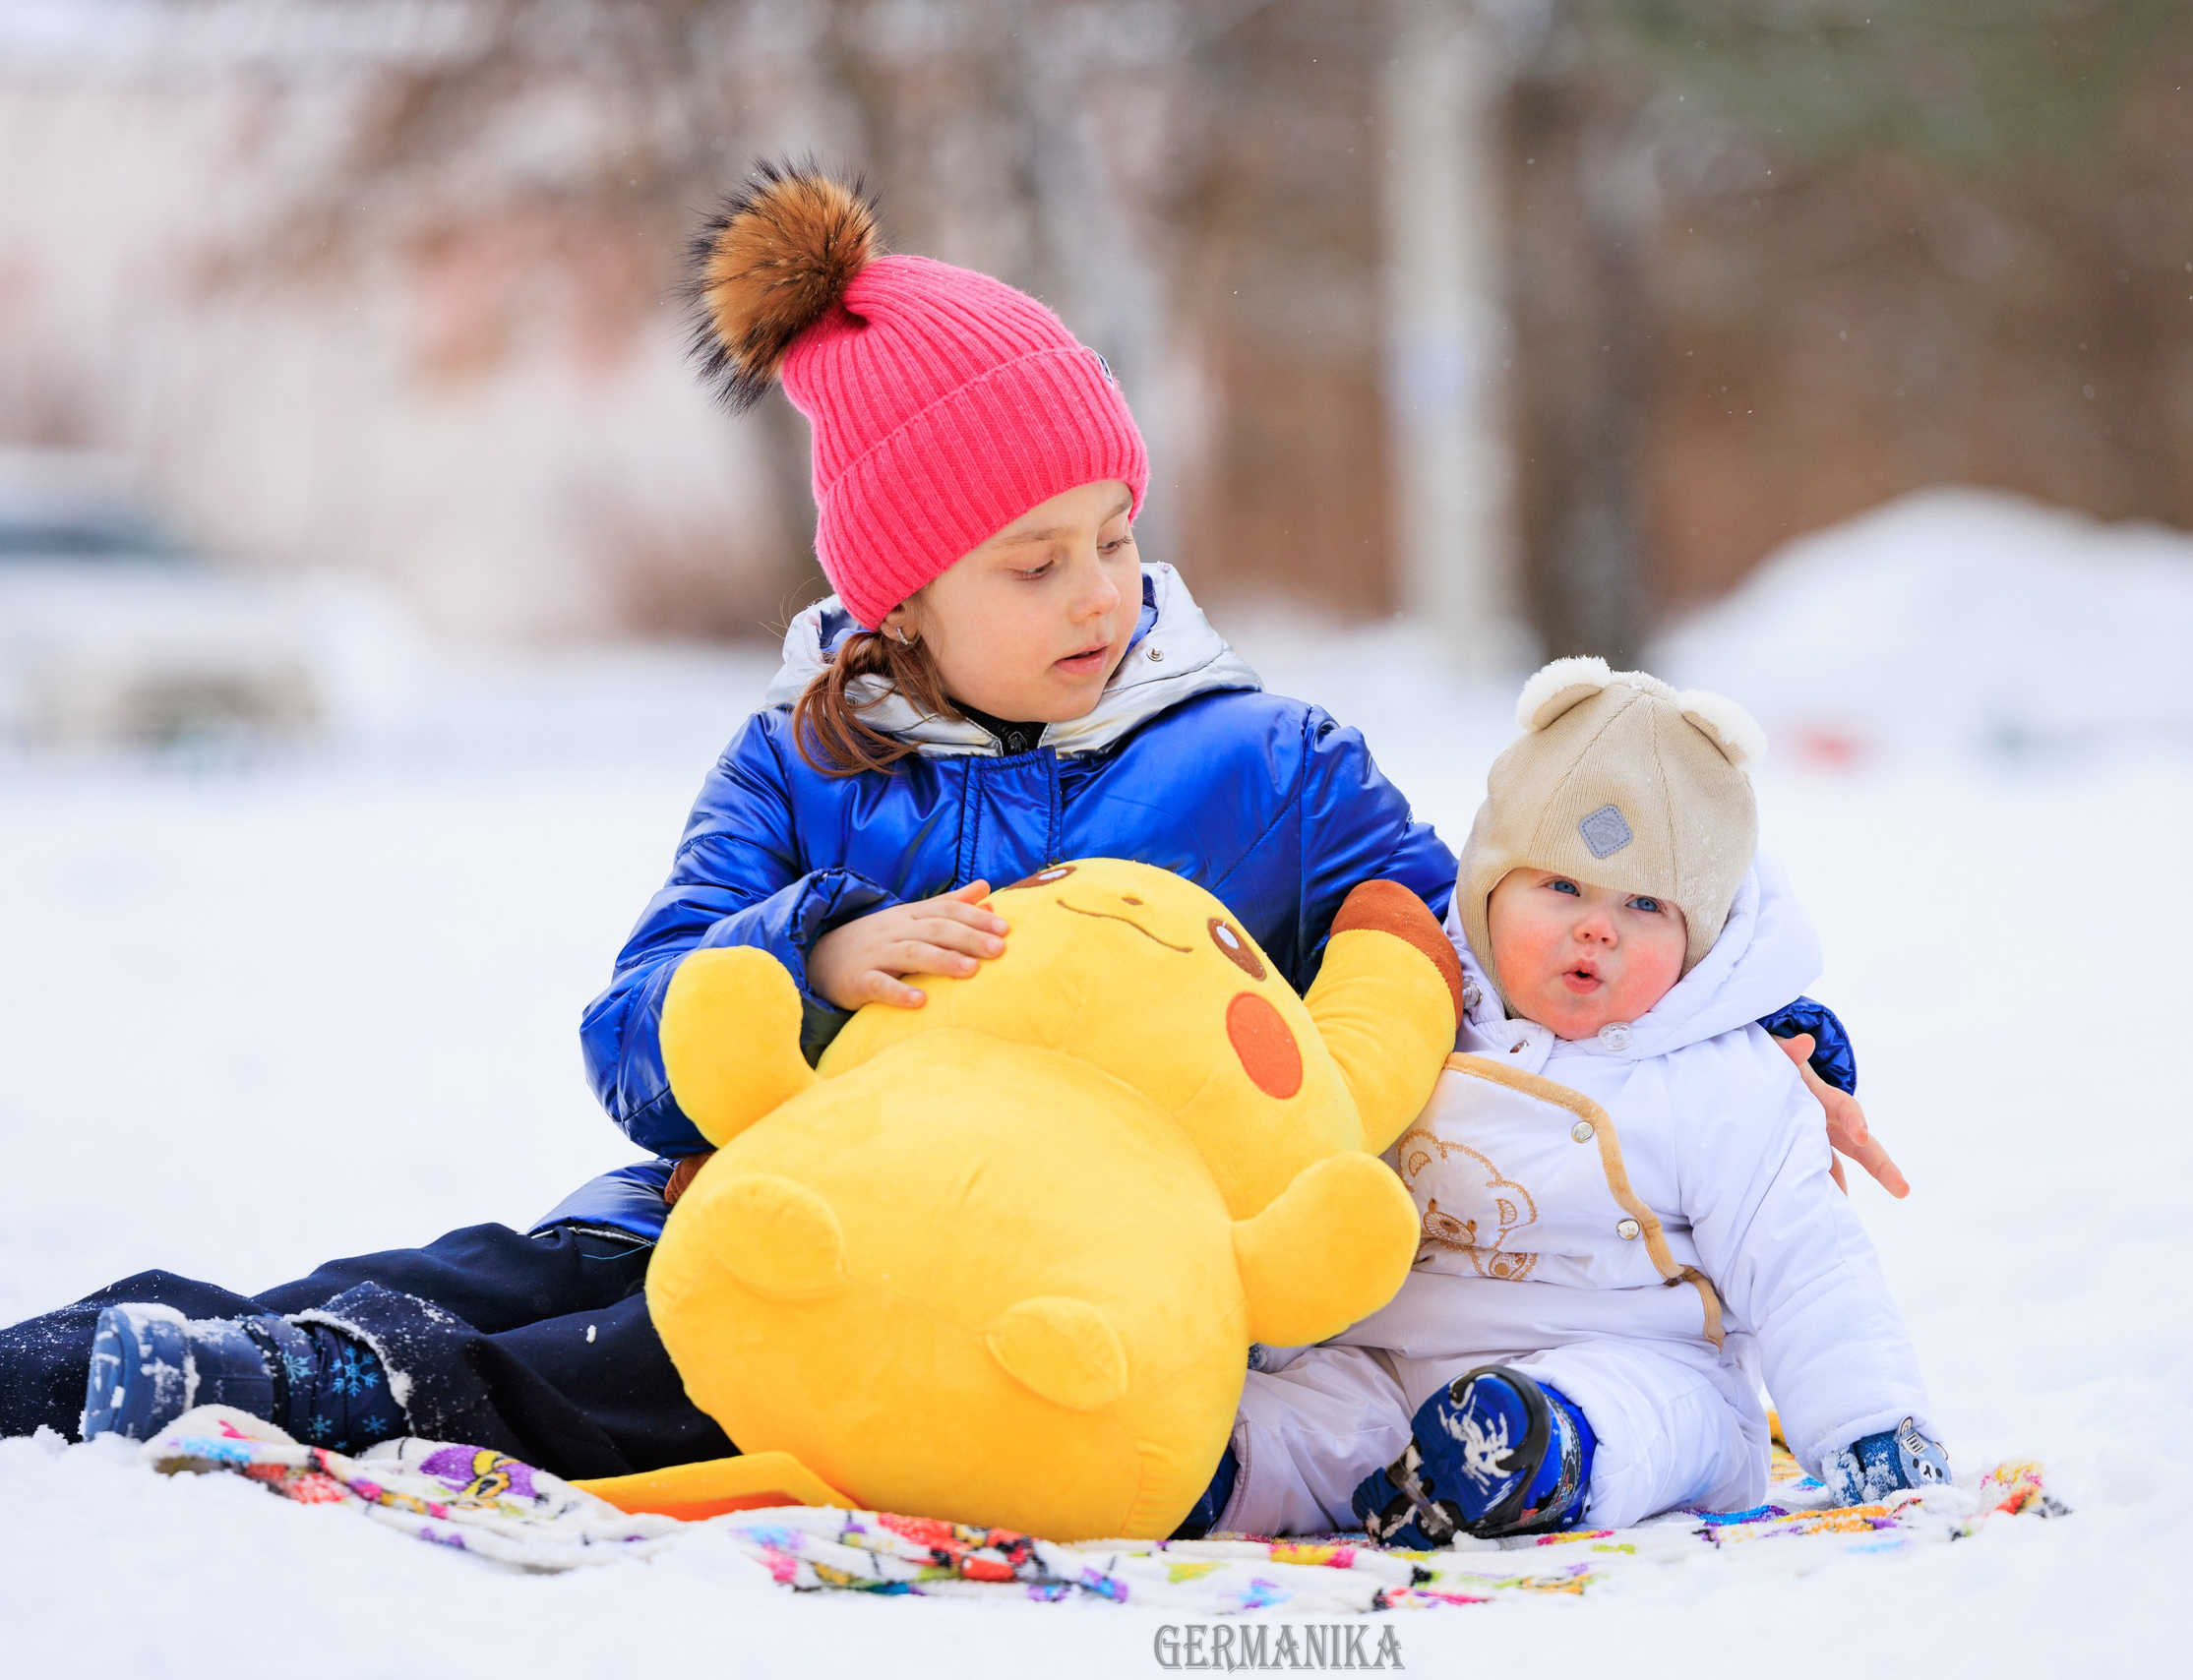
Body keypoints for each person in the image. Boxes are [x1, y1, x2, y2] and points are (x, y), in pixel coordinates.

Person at [2, 166, 1890, 1488]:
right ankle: (198, 1336)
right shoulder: (798, 768)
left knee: (675, 1367)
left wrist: (1752, 1032)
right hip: (779, 1188)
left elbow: (1489, 930)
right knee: (565, 1256)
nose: (1101, 592)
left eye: (1117, 536)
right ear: (901, 594)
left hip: (1073, 1260)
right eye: (1035, 560)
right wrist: (804, 953)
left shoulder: (1267, 759)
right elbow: (636, 1026)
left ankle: (354, 1389)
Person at [1189, 661, 1946, 1542]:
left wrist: (1871, 1424)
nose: (1598, 927)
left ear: (1696, 939)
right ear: (1487, 888)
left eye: (1644, 905)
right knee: (1312, 1422)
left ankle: (1537, 1456)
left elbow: (1805, 1260)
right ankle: (1207, 1468)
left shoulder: (1722, 1076)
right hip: (1392, 1359)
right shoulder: (1415, 1009)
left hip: (1636, 1357)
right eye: (1561, 887)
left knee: (1649, 1417)